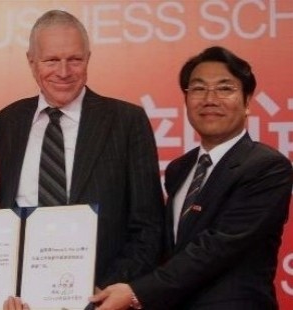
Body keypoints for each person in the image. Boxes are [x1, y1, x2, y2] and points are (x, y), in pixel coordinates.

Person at [90, 46, 293, 309]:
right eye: (198, 88)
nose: (210, 99)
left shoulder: (267, 167)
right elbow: (163, 245)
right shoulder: (180, 169)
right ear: (186, 100)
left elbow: (216, 248)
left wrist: (136, 292)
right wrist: (109, 281)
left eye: (225, 88)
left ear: (247, 102)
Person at [0, 9, 164, 308]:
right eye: (51, 60)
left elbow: (148, 227)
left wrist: (104, 290)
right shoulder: (6, 122)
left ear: (89, 58)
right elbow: (8, 212)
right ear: (31, 62)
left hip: (103, 300)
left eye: (75, 59)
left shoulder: (126, 121)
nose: (64, 71)